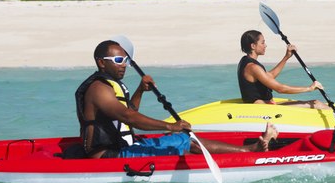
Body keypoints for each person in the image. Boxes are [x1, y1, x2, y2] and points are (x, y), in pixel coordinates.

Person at [75, 39, 279, 159]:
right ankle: (250, 151)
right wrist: (171, 126)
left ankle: (246, 150)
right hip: (110, 156)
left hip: (123, 147)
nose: (123, 65)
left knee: (185, 140)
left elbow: (129, 113)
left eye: (126, 61)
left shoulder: (109, 85)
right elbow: (129, 117)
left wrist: (140, 90)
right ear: (101, 63)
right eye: (118, 60)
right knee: (182, 139)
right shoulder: (98, 89)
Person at [238, 30, 330, 109]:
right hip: (264, 110)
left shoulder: (245, 62)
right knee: (316, 104)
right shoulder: (253, 67)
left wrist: (286, 57)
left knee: (315, 103)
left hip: (266, 106)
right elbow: (280, 89)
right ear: (253, 46)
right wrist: (309, 88)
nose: (265, 45)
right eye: (262, 42)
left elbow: (269, 76)